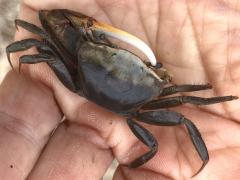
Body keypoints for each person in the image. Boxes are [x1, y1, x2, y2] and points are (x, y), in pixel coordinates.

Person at [0, 0, 240, 179]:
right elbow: (186, 97)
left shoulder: (86, 50)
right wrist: (213, 91)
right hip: (130, 110)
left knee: (45, 49)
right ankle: (139, 165)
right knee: (169, 130)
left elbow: (46, 29)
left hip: (78, 84)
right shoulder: (156, 90)